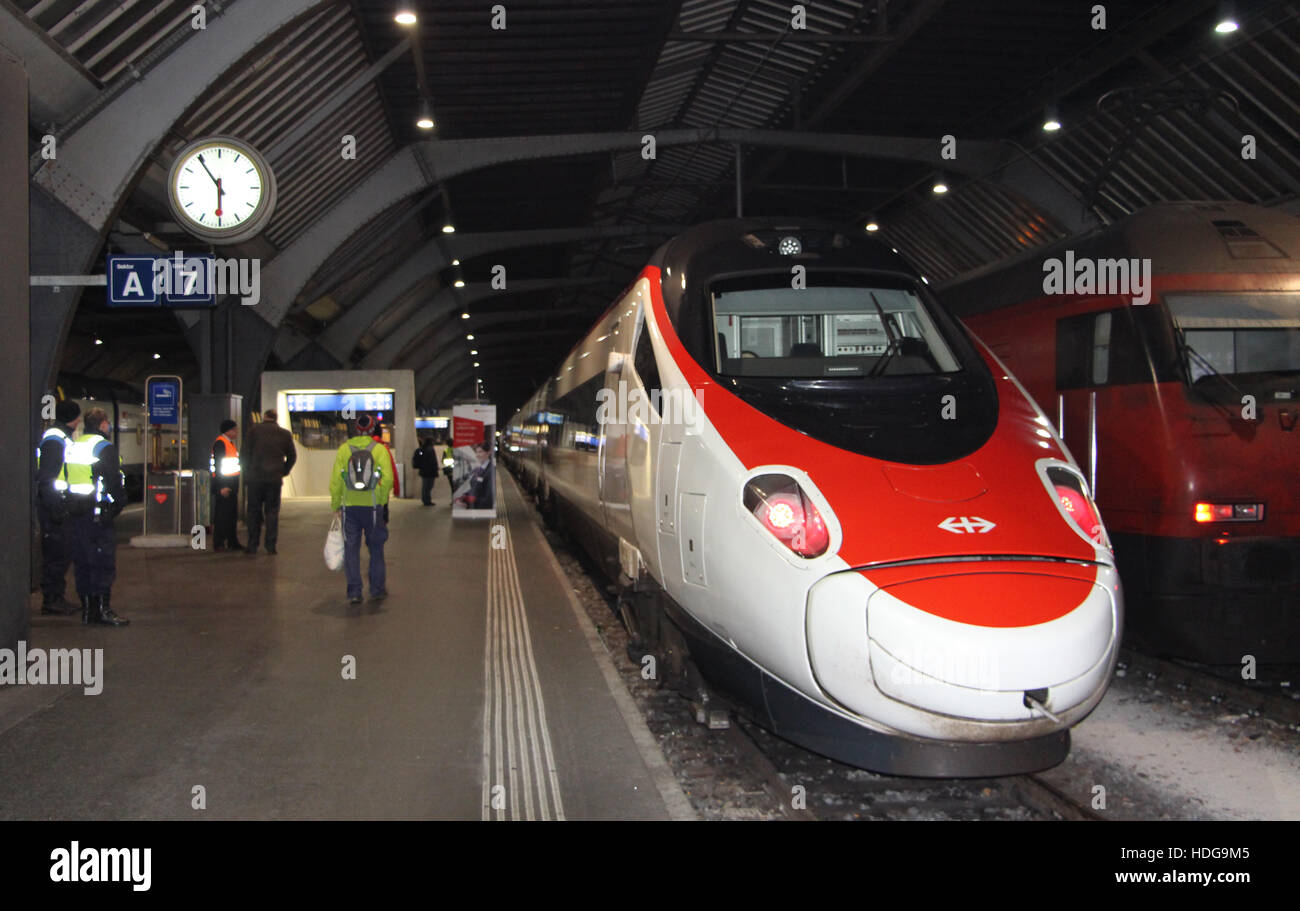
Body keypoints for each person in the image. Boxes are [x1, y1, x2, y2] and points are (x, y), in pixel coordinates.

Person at [65, 408, 128, 626]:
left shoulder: (73, 446)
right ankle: (103, 610)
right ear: (102, 424)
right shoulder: (104, 447)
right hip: (98, 514)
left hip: (77, 512)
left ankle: (87, 610)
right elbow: (113, 481)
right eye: (107, 423)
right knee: (102, 562)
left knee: (82, 561)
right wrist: (118, 505)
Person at [329, 414, 395, 606]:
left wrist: (336, 504)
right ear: (373, 429)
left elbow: (336, 481)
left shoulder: (344, 449)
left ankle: (354, 592)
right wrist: (381, 500)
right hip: (373, 507)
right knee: (376, 548)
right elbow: (388, 478)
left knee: (351, 549)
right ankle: (376, 590)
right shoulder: (379, 450)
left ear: (355, 429)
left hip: (349, 507)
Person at [34, 399, 82, 615]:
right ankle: (52, 599)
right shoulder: (55, 440)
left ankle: (56, 596)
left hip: (58, 504)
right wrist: (56, 507)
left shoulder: (59, 437)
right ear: (74, 418)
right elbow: (48, 477)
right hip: (54, 506)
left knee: (61, 553)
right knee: (56, 553)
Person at [242, 409, 297, 555]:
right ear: (276, 418)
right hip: (274, 479)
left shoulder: (253, 431)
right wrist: (283, 471)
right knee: (272, 512)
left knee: (253, 511)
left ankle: (252, 545)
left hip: (255, 479)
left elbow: (244, 454)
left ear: (264, 417)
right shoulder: (285, 434)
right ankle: (270, 546)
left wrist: (248, 471)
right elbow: (292, 456)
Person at [454, 441, 495, 511]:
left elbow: (489, 499)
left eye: (481, 452)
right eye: (476, 452)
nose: (477, 455)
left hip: (483, 512)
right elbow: (474, 488)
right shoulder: (479, 469)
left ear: (488, 452)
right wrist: (464, 497)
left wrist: (468, 502)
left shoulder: (491, 471)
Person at [412, 436, 438, 506]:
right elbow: (433, 461)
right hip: (430, 471)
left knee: (425, 486)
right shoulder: (430, 449)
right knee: (428, 486)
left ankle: (425, 500)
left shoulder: (421, 449)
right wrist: (436, 470)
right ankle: (427, 501)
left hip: (423, 471)